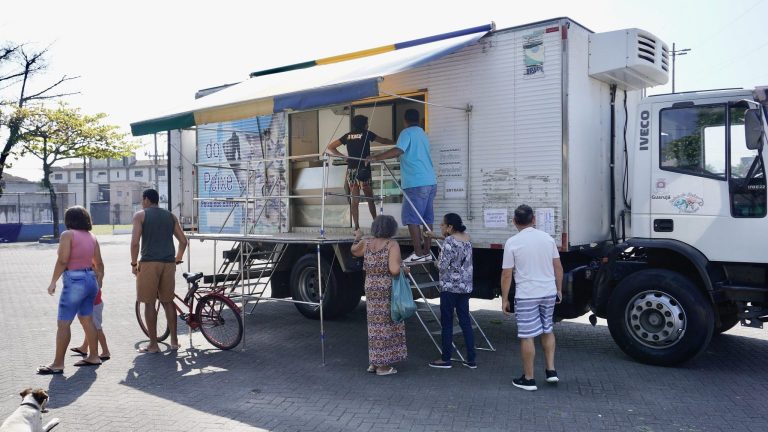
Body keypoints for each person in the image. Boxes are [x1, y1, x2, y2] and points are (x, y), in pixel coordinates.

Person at [501, 204, 563, 391]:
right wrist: (559, 289)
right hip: (548, 291)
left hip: (527, 294)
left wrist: (505, 299)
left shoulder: (512, 242)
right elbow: (558, 267)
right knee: (547, 330)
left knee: (527, 336)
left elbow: (506, 274)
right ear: (534, 219)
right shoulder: (547, 239)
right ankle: (551, 371)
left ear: (514, 222)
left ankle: (529, 379)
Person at [37, 206, 104, 374]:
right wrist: (99, 281)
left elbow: (63, 260)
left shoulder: (68, 235)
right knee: (86, 319)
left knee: (63, 323)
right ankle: (94, 356)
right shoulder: (92, 236)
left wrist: (53, 281)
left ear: (69, 220)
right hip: (90, 279)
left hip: (75, 280)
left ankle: (58, 364)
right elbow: (100, 263)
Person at [367, 109, 436, 263]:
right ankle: (427, 252)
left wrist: (376, 157)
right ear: (418, 119)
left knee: (411, 218)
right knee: (426, 219)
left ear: (405, 120)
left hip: (416, 183)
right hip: (430, 182)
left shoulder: (407, 133)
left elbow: (398, 150)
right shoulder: (423, 135)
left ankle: (418, 253)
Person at [131, 188, 188, 353]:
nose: (142, 202)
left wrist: (134, 264)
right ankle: (175, 341)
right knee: (168, 301)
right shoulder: (170, 216)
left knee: (149, 303)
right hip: (169, 263)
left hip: (149, 263)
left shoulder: (140, 216)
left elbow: (135, 243)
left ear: (147, 199)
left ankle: (153, 345)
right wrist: (177, 259)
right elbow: (183, 241)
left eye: (143, 199)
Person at [350, 214, 407, 376]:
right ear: (391, 228)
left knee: (374, 325)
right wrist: (404, 269)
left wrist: (358, 237)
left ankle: (374, 362)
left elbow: (354, 251)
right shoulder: (391, 244)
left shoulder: (366, 242)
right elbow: (394, 270)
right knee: (386, 326)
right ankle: (383, 366)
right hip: (385, 288)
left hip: (370, 286)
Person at [425, 213, 476, 369]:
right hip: (465, 286)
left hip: (450, 287)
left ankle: (445, 358)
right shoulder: (467, 238)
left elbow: (442, 265)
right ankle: (471, 359)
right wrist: (437, 237)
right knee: (465, 321)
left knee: (447, 323)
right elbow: (456, 243)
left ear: (450, 227)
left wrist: (434, 261)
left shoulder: (448, 241)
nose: (441, 226)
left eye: (443, 224)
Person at [326, 115, 394, 231]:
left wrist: (344, 157)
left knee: (355, 200)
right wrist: (395, 141)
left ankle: (356, 228)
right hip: (364, 170)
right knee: (370, 199)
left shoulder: (348, 136)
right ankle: (376, 225)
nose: (368, 125)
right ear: (363, 124)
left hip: (351, 170)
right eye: (367, 123)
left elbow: (331, 147)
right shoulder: (367, 133)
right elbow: (383, 141)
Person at [70, 286, 111, 361]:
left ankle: (106, 352)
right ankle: (84, 348)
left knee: (96, 328)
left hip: (93, 305)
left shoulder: (92, 275)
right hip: (94, 304)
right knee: (90, 327)